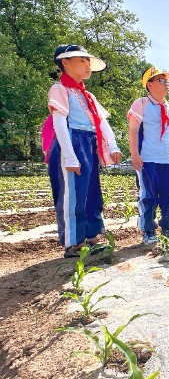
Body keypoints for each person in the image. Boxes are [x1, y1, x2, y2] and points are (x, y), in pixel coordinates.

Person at [46, 44, 122, 258]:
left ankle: (93, 235)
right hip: (71, 141)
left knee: (91, 192)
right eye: (82, 60)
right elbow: (59, 123)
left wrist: (113, 145)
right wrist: (70, 155)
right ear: (65, 62)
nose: (87, 65)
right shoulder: (60, 89)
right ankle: (74, 242)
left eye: (89, 61)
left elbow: (102, 122)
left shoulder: (88, 96)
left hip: (89, 143)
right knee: (73, 194)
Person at [128, 66, 169, 245]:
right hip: (148, 158)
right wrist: (134, 154)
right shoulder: (141, 104)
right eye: (161, 80)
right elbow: (133, 129)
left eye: (166, 80)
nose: (166, 84)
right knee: (148, 195)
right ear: (150, 84)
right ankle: (148, 231)